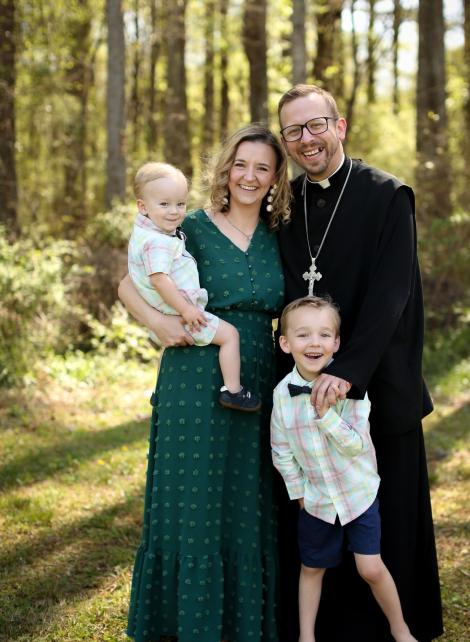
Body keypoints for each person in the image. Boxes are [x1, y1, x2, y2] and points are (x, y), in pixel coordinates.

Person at [275, 84, 443, 642]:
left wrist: (348, 372)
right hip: (304, 386)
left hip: (377, 380)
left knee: (384, 510)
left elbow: (393, 294)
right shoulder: (287, 203)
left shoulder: (387, 195)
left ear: (339, 125)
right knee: (317, 515)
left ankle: (392, 627)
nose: (307, 140)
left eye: (315, 125)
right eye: (293, 131)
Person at [120, 124, 291, 642]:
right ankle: (181, 624)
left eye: (263, 167)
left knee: (247, 500)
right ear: (226, 168)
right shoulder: (185, 224)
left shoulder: (283, 234)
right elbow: (129, 282)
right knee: (189, 497)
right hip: (193, 378)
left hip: (257, 375)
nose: (250, 175)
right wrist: (158, 323)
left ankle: (244, 624)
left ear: (275, 178)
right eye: (242, 164)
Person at [271, 296, 418, 642]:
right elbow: (281, 451)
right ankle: (306, 636)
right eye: (303, 335)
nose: (314, 343)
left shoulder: (350, 390)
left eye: (324, 335)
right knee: (312, 567)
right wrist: (299, 495)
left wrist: (326, 418)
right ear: (285, 343)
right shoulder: (281, 395)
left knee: (370, 568)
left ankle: (401, 630)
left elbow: (356, 446)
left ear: (337, 343)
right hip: (317, 501)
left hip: (357, 494)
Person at [129, 161, 261, 411]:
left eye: (180, 203)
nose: (174, 211)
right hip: (181, 312)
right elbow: (159, 279)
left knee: (165, 350)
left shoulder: (145, 234)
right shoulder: (158, 242)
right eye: (164, 204)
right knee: (230, 336)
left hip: (168, 312)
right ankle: (233, 390)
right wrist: (187, 310)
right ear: (143, 207)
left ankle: (159, 391)